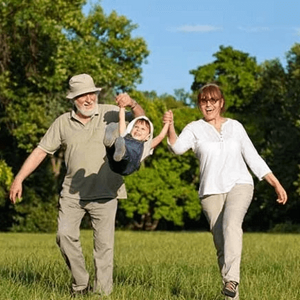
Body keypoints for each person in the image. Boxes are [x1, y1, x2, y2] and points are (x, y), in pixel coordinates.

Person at [9, 73, 145, 298]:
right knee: (64, 235)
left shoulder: (110, 112)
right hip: (73, 193)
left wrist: (133, 104)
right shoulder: (63, 122)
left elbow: (142, 122)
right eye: (83, 95)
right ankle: (81, 284)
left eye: (92, 93)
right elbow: (41, 151)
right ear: (73, 98)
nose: (89, 99)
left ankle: (102, 294)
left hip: (106, 192)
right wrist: (19, 178)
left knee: (104, 249)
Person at [164, 83, 288, 300]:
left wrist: (275, 183)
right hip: (210, 192)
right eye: (204, 101)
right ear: (199, 105)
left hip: (239, 185)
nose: (208, 105)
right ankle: (233, 296)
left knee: (232, 225)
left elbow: (253, 157)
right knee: (222, 245)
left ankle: (232, 280)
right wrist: (170, 126)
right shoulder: (194, 128)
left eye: (213, 100)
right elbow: (176, 148)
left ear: (221, 103)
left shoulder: (235, 127)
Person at [104, 104, 169, 175]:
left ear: (147, 137)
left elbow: (161, 136)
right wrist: (122, 107)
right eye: (136, 127)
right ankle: (109, 142)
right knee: (118, 142)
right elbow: (121, 120)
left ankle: (121, 152)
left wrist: (167, 123)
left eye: (143, 129)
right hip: (114, 163)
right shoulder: (125, 135)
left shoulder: (146, 146)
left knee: (125, 149)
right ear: (131, 129)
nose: (138, 130)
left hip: (127, 167)